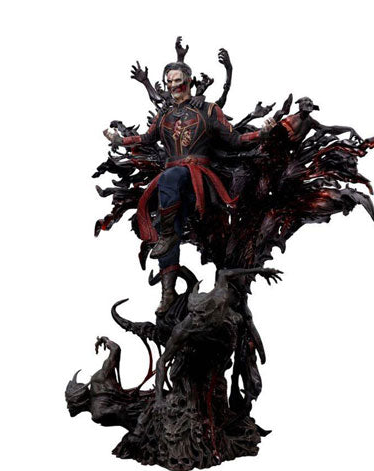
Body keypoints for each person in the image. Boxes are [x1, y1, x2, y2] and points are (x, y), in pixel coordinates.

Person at [104, 61, 276, 314]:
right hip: (171, 184)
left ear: (189, 81)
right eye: (169, 82)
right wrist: (120, 141)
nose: (173, 86)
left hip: (199, 177)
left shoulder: (208, 110)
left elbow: (235, 139)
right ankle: (168, 292)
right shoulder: (165, 115)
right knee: (165, 225)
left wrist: (262, 134)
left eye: (177, 80)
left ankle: (170, 237)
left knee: (170, 178)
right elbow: (146, 138)